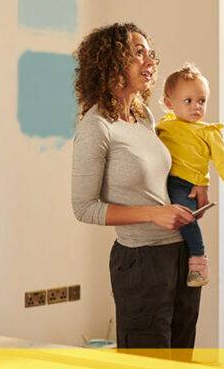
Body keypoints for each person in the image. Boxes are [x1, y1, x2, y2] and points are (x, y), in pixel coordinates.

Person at [70, 23, 207, 360]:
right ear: (111, 61)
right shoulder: (96, 128)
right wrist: (153, 214)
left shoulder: (143, 115)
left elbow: (158, 180)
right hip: (140, 262)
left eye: (149, 52)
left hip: (180, 254)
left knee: (181, 356)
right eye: (137, 52)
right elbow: (84, 207)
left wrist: (194, 185)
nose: (149, 60)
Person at [157, 63, 224, 287]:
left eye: (202, 101)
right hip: (161, 182)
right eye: (188, 101)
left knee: (186, 217)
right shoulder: (163, 126)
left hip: (186, 185)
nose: (196, 106)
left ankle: (198, 259)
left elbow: (223, 160)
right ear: (169, 103)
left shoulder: (208, 132)